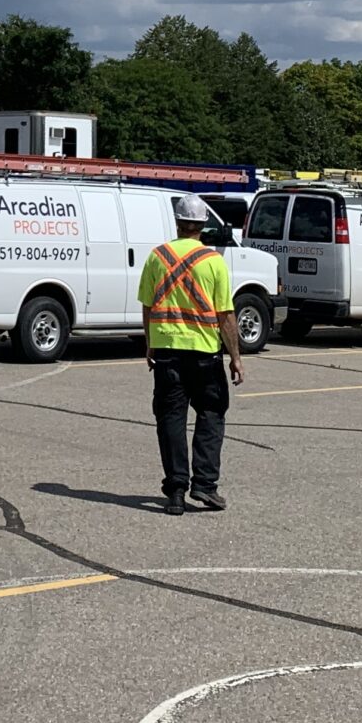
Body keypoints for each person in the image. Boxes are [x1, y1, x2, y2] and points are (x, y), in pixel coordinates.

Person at [138, 194, 242, 515]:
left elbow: (148, 306)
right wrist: (236, 357)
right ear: (202, 226)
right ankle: (205, 485)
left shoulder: (157, 257)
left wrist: (150, 344)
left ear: (178, 223)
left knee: (171, 419)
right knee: (211, 414)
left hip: (168, 351)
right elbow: (225, 315)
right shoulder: (213, 262)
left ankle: (176, 491)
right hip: (204, 354)